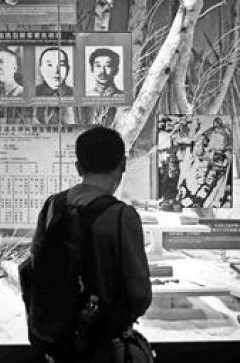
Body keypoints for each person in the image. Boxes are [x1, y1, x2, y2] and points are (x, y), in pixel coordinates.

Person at [25, 127, 151, 363]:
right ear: (123, 164)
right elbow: (139, 294)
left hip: (57, 339)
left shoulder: (53, 206)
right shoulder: (122, 216)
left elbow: (35, 262)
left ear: (78, 167)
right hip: (103, 346)